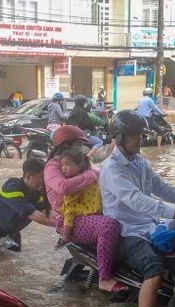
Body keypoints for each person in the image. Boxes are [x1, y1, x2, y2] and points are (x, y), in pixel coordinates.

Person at [99, 110, 175, 307]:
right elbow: (137, 201)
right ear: (120, 138)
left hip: (151, 225)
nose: (140, 138)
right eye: (134, 134)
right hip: (126, 231)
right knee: (154, 268)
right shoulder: (112, 168)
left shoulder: (139, 161)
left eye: (139, 133)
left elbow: (161, 187)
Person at [44, 125, 124, 293]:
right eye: (77, 145)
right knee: (109, 226)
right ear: (67, 144)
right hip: (69, 218)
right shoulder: (53, 166)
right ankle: (104, 278)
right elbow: (63, 186)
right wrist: (90, 175)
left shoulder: (79, 162)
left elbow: (99, 172)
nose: (80, 148)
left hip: (87, 212)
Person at [0, 157, 55, 256]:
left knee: (15, 255)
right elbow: (34, 215)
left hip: (10, 223)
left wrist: (68, 222)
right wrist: (61, 227)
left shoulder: (38, 190)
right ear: (28, 176)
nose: (44, 182)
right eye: (41, 178)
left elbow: (46, 211)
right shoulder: (12, 188)